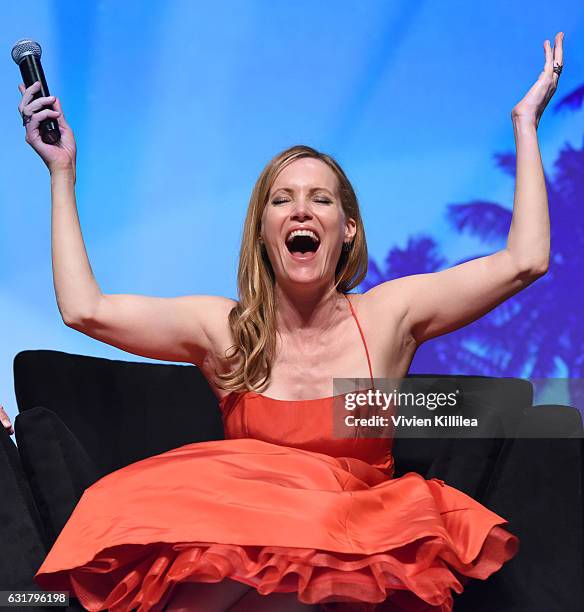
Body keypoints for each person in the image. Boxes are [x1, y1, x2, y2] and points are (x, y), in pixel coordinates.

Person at [17, 32, 563, 612]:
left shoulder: (388, 316)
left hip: (353, 553)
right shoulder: (223, 330)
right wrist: (61, 173)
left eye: (321, 200)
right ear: (263, 231)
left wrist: (526, 125)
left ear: (347, 229)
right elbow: (84, 309)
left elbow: (524, 259)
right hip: (246, 554)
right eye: (283, 199)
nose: (302, 209)